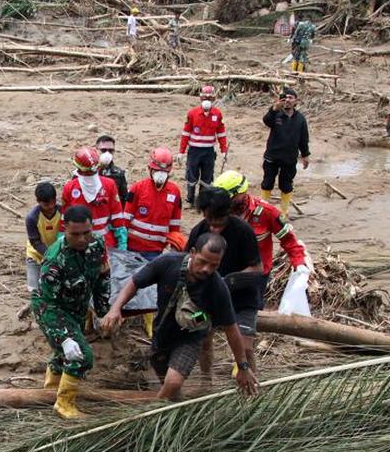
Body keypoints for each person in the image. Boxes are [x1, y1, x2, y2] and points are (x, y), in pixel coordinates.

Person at [101, 233, 258, 400]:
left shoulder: (218, 288)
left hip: (190, 339)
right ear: (192, 252)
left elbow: (231, 330)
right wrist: (115, 308)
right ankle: (178, 416)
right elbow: (135, 282)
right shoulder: (167, 263)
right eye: (203, 262)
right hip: (162, 333)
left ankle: (152, 414)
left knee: (173, 382)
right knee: (170, 391)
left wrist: (242, 366)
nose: (207, 269)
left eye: (214, 265)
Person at [31, 205, 110, 419]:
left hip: (77, 308)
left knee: (66, 355)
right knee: (81, 355)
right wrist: (64, 337)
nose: (82, 239)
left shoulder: (98, 244)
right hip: (52, 310)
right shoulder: (55, 259)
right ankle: (64, 403)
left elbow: (103, 275)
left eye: (87, 233)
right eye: (75, 234)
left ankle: (50, 388)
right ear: (64, 229)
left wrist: (103, 309)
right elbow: (47, 304)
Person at [186, 187, 264, 377]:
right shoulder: (199, 232)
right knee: (204, 340)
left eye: (219, 223)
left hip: (242, 299)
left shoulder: (243, 231)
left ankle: (251, 385)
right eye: (210, 221)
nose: (214, 228)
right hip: (209, 301)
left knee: (246, 348)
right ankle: (207, 381)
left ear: (228, 212)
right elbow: (185, 262)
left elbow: (257, 269)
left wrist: (228, 282)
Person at [123, 147, 184, 336]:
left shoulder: (174, 192)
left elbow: (175, 226)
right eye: (158, 171)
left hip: (155, 251)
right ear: (150, 169)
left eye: (165, 172)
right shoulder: (137, 189)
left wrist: (175, 246)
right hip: (133, 247)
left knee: (150, 287)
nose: (160, 175)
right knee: (128, 282)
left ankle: (149, 321)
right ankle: (124, 314)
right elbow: (125, 220)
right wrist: (122, 246)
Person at [261, 87, 310, 218]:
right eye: (285, 98)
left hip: (289, 158)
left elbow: (303, 139)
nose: (287, 100)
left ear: (296, 101)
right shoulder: (276, 114)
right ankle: (263, 211)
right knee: (267, 183)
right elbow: (266, 121)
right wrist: (273, 109)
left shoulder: (300, 119)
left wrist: (305, 155)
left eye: (290, 98)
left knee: (286, 185)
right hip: (272, 156)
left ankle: (284, 212)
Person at [61, 146, 124, 247]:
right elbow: (64, 222)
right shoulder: (70, 188)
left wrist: (122, 245)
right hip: (79, 245)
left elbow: (118, 219)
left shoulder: (109, 185)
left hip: (105, 245)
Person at [178, 85, 229, 208]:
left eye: (210, 98)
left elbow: (221, 133)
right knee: (191, 176)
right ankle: (190, 199)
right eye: (205, 97)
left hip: (209, 151)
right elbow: (186, 133)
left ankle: (202, 201)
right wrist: (181, 151)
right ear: (200, 98)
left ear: (213, 99)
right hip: (194, 151)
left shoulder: (217, 114)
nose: (207, 100)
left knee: (207, 177)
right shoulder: (192, 113)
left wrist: (223, 150)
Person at [25, 182, 61, 292]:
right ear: (38, 202)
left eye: (53, 203)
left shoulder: (63, 211)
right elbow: (35, 242)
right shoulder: (32, 217)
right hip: (36, 255)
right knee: (34, 290)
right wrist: (50, 255)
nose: (50, 207)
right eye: (46, 205)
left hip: (59, 255)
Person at [95, 135, 129, 204]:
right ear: (96, 150)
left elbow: (123, 199)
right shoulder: (85, 170)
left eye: (110, 150)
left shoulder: (118, 173)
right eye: (103, 150)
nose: (107, 153)